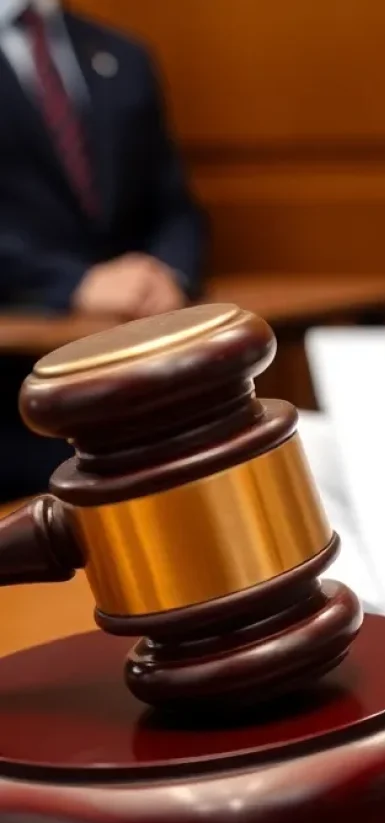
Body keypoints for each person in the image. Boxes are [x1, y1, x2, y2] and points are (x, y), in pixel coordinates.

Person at [0, 0, 207, 499]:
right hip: (14, 395)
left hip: (136, 374)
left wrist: (167, 273)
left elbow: (176, 206)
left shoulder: (121, 53)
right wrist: (75, 284)